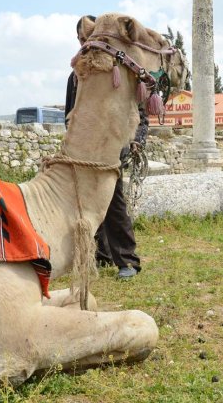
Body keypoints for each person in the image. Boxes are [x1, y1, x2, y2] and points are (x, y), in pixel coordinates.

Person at [65, 15, 145, 279]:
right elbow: (71, 113)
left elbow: (137, 110)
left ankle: (128, 261)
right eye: (80, 39)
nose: (84, 43)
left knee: (114, 201)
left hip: (113, 146)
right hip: (85, 150)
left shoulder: (119, 70)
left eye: (86, 38)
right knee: (85, 200)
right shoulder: (76, 75)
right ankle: (100, 254)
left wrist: (136, 139)